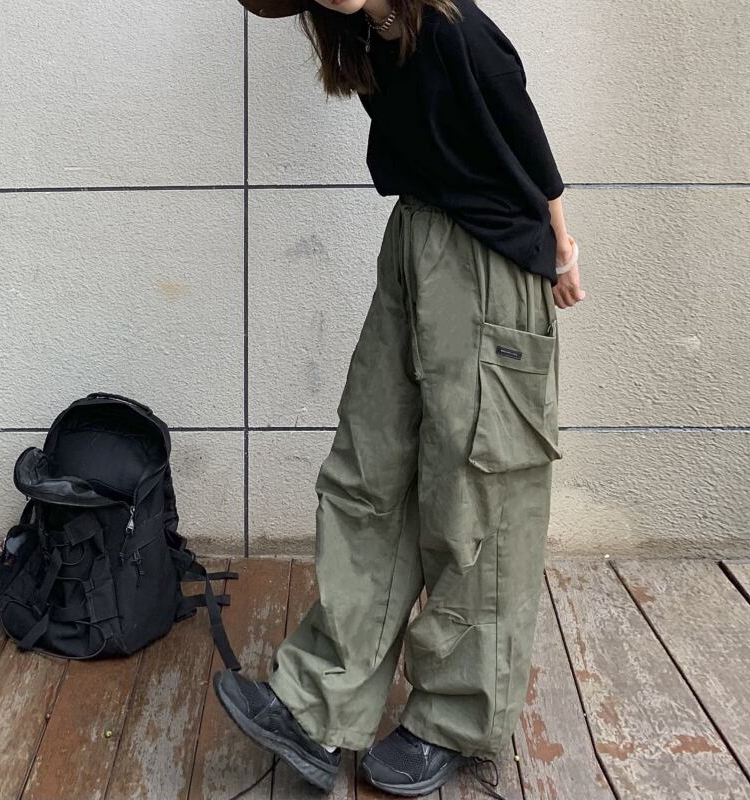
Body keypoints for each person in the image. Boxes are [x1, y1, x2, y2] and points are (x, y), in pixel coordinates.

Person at [213, 0, 586, 797]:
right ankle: (321, 704)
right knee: (367, 473)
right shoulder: (367, 39)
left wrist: (561, 248)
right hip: (414, 246)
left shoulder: (456, 30)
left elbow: (528, 147)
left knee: (475, 500)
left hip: (491, 263)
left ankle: (456, 718)